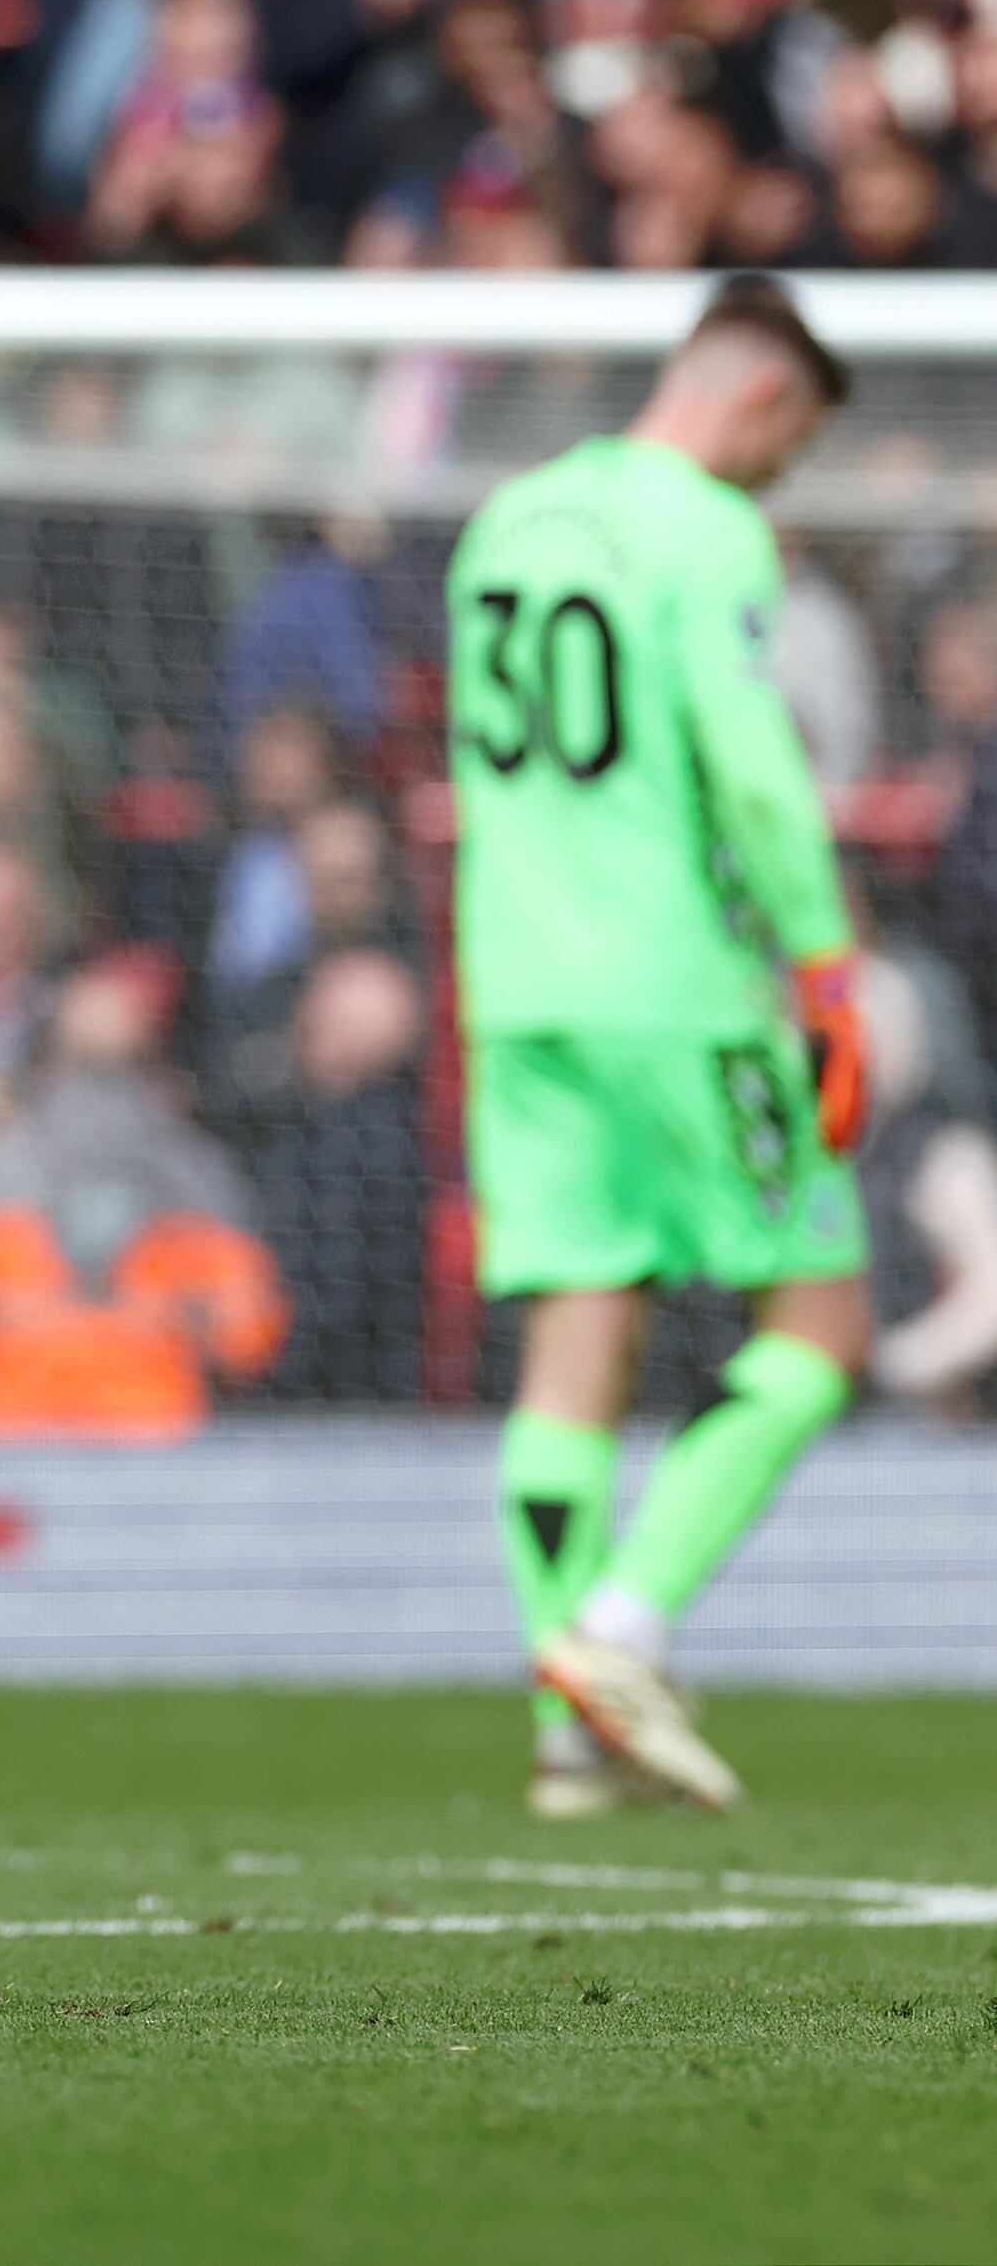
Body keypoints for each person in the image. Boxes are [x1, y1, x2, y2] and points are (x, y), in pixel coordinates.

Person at [447, 278, 870, 1818]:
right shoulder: (707, 528)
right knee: (820, 1328)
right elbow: (751, 765)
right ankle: (624, 1625)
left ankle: (567, 1714)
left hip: (517, 983)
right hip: (680, 983)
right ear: (759, 403)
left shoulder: (509, 519)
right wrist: (824, 960)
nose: (778, 481)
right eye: (790, 449)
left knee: (577, 1333)